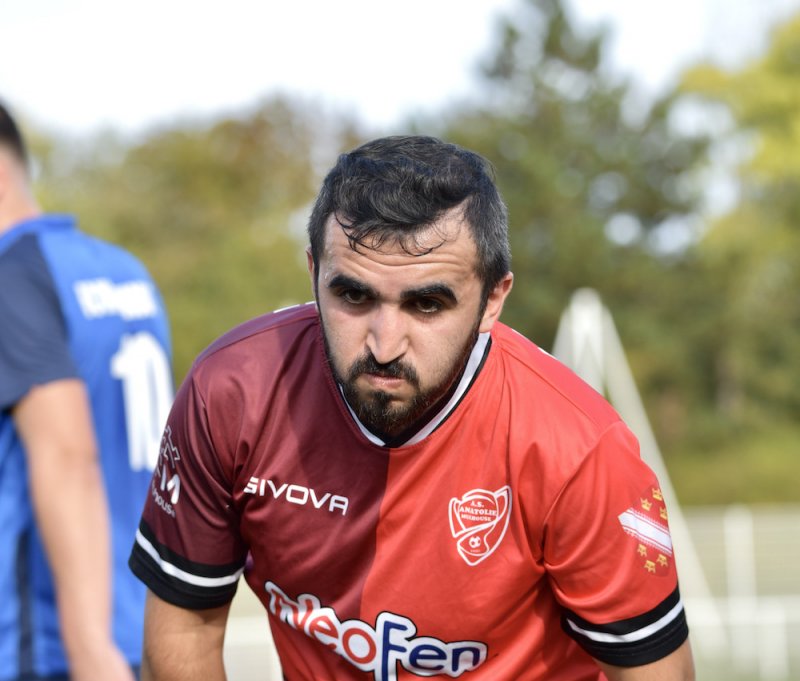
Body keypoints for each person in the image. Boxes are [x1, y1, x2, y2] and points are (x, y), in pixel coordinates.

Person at [129, 135, 695, 680]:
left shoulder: (578, 447)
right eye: (354, 295)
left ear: (493, 299)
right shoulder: (232, 393)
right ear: (312, 273)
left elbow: (654, 673)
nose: (383, 342)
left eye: (426, 303)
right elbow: (183, 632)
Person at [0, 101, 173, 680]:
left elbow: (68, 454)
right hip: (142, 615)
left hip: (52, 643)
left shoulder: (10, 277)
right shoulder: (121, 269)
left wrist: (87, 647)